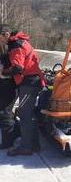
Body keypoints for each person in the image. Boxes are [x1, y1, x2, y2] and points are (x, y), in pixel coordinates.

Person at [0, 24, 45, 156]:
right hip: (31, 81)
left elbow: (17, 68)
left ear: (6, 34)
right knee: (28, 113)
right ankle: (34, 144)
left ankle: (25, 147)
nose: (1, 41)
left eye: (1, 38)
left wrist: (3, 72)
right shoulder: (20, 41)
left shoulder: (16, 45)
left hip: (29, 82)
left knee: (25, 115)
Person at [0, 44, 18, 149]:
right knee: (6, 112)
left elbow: (6, 73)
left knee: (5, 112)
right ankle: (14, 134)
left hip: (8, 86)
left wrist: (3, 74)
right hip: (7, 86)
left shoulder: (7, 56)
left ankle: (8, 141)